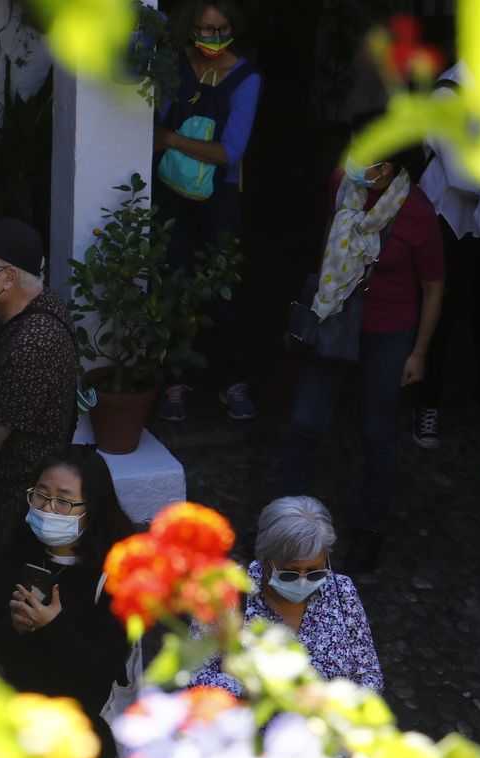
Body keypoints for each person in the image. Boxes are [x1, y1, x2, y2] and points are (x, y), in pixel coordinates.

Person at [280, 137, 444, 574]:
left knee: (377, 432)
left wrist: (419, 353)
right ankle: (284, 524)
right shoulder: (342, 181)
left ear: (388, 169)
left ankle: (370, 529)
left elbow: (432, 288)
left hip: (388, 331)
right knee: (306, 422)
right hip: (335, 316)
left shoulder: (417, 213)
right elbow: (328, 237)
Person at [0, 448, 135, 758]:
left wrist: (53, 627)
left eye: (64, 500)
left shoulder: (116, 573)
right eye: (41, 496)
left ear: (93, 508)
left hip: (78, 739)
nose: (48, 509)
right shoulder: (8, 554)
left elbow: (104, 673)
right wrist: (14, 627)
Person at [0, 218, 78, 595]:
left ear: (7, 278)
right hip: (8, 506)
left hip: (10, 512)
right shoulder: (31, 308)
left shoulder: (33, 344)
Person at [152, 1, 262, 422]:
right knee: (172, 279)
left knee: (223, 285)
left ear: (234, 28)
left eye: (221, 29)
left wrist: (172, 140)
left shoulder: (248, 79)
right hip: (170, 191)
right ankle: (173, 380)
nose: (212, 39)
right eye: (204, 29)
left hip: (221, 195)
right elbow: (150, 120)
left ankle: (232, 381)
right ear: (188, 28)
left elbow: (231, 152)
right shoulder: (170, 66)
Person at [191, 496, 383, 694]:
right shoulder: (226, 594)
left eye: (314, 572)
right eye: (290, 573)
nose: (302, 580)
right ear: (265, 559)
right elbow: (194, 674)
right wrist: (252, 693)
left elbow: (369, 675)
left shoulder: (342, 591)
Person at [412, 60, 480, 448]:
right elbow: (460, 174)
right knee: (440, 314)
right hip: (447, 220)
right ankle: (426, 406)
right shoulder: (449, 91)